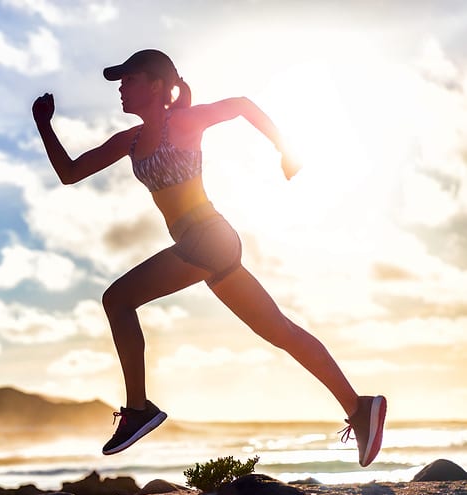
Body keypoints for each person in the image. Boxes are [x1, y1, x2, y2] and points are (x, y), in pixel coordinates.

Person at [32, 49, 386, 467]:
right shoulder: (128, 141)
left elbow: (240, 106)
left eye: (129, 79)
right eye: (120, 82)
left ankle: (139, 409)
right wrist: (44, 125)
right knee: (281, 331)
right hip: (206, 247)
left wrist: (285, 149)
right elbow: (70, 173)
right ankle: (360, 407)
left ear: (157, 85)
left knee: (118, 300)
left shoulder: (184, 121)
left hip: (208, 239)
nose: (122, 88)